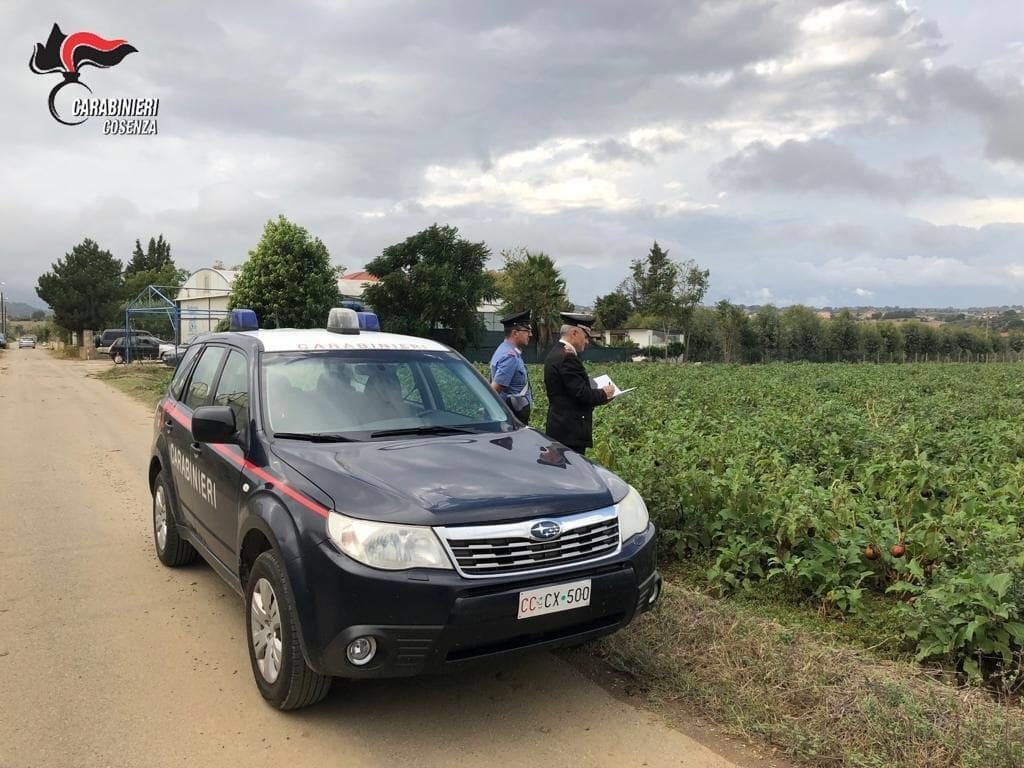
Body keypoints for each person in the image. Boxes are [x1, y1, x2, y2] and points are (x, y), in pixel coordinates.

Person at [543, 313, 615, 456]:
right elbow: (581, 394)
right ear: (574, 333)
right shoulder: (567, 358)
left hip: (560, 427)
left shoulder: (558, 353)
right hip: (569, 432)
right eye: (586, 336)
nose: (587, 341)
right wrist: (604, 393)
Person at [489, 310, 534, 423]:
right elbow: (495, 389)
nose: (530, 334)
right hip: (512, 418)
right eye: (527, 331)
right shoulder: (510, 356)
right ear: (515, 333)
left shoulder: (506, 350)